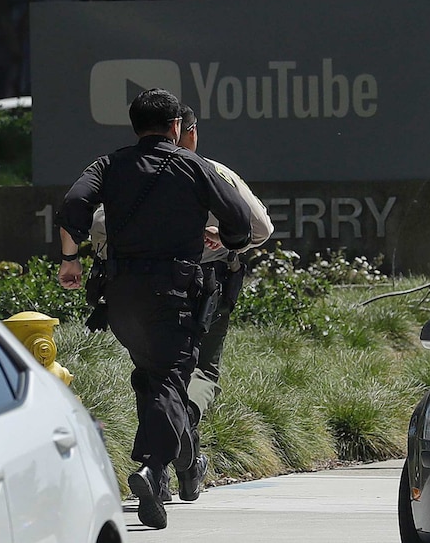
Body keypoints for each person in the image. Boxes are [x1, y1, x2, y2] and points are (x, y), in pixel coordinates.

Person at [56, 88, 252, 530]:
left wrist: (71, 259)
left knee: (150, 375)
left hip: (121, 296)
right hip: (174, 294)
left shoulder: (107, 164)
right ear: (176, 127)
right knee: (170, 379)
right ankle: (152, 468)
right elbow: (239, 219)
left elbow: (73, 203)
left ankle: (184, 460)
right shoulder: (193, 166)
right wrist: (231, 243)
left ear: (135, 125)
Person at [89, 104, 274, 502]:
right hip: (205, 288)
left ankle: (171, 470)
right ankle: (184, 435)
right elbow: (259, 227)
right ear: (185, 132)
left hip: (140, 287)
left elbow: (99, 226)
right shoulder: (211, 171)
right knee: (201, 373)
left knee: (155, 375)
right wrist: (224, 240)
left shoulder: (133, 172)